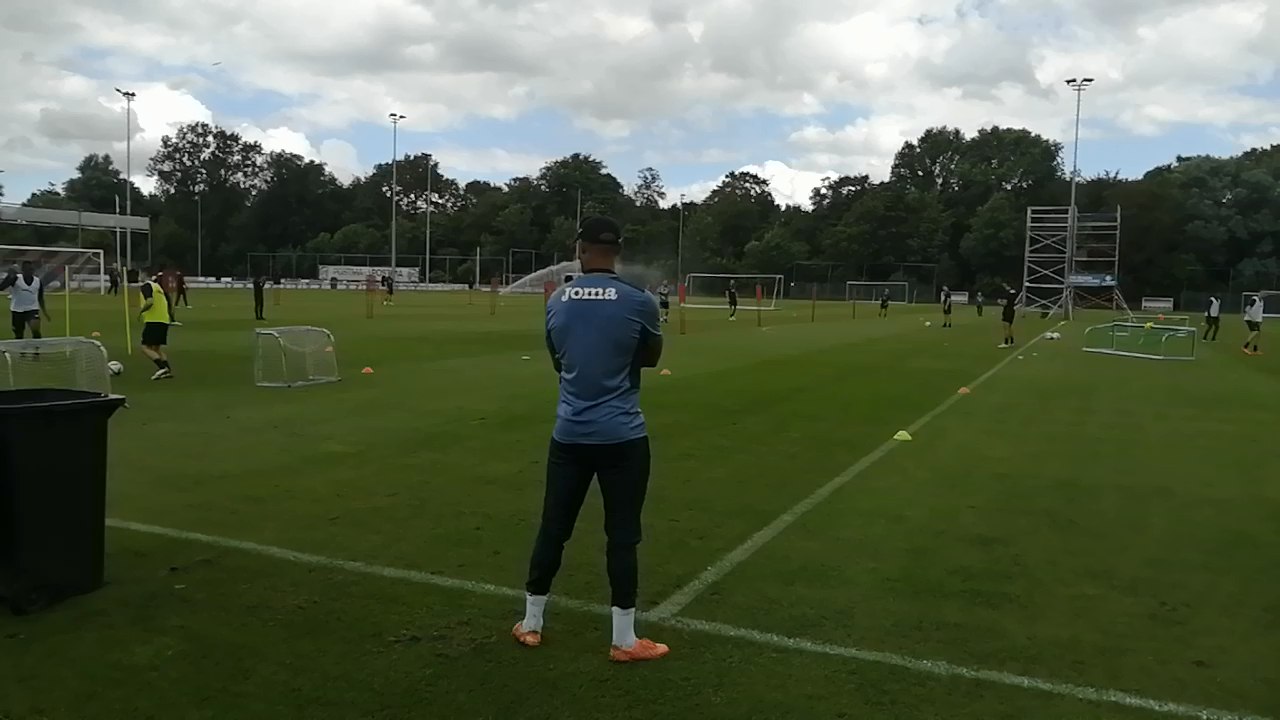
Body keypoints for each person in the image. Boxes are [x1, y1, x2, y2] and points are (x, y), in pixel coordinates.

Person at [514, 215, 668, 663]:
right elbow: (652, 357)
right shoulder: (638, 301)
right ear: (617, 250)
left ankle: (531, 623)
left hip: (570, 434)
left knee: (553, 528)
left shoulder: (558, 299)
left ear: (579, 248)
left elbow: (558, 361)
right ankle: (624, 640)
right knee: (622, 536)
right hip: (623, 436)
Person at [138, 268, 174, 380]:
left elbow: (150, 301)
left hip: (154, 320)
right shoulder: (158, 287)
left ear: (144, 275)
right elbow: (169, 304)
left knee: (145, 347)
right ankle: (167, 370)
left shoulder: (146, 286)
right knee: (156, 348)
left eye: (140, 274)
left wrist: (141, 312)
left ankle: (162, 368)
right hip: (164, 320)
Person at [2, 261, 49, 339]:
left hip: (32, 309)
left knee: (35, 328)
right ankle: (21, 350)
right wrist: (9, 276)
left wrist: (45, 312)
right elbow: (2, 287)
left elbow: (40, 297)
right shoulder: (15, 278)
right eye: (28, 269)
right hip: (17, 310)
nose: (30, 271)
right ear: (23, 270)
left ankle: (37, 349)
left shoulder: (37, 281)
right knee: (19, 334)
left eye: (31, 269)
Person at [998, 282, 1018, 348]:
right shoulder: (1014, 293)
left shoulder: (1007, 294)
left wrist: (999, 302)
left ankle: (1006, 342)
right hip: (1012, 310)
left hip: (1007, 310)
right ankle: (1012, 342)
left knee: (1006, 327)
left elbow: (1004, 303)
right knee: (1010, 326)